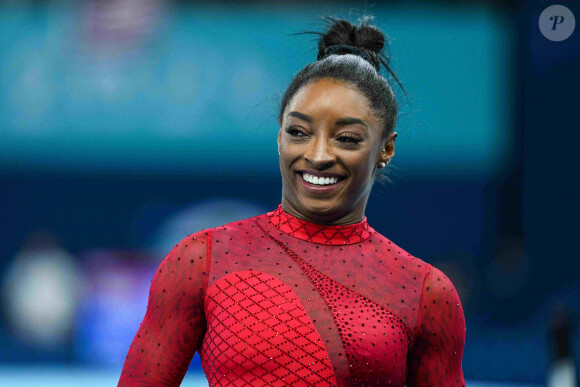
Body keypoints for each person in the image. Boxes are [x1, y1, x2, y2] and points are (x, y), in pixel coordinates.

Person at [118, 16, 466, 387]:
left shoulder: (426, 293)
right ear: (279, 137)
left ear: (386, 149)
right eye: (298, 132)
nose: (318, 155)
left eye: (347, 138)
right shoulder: (201, 260)